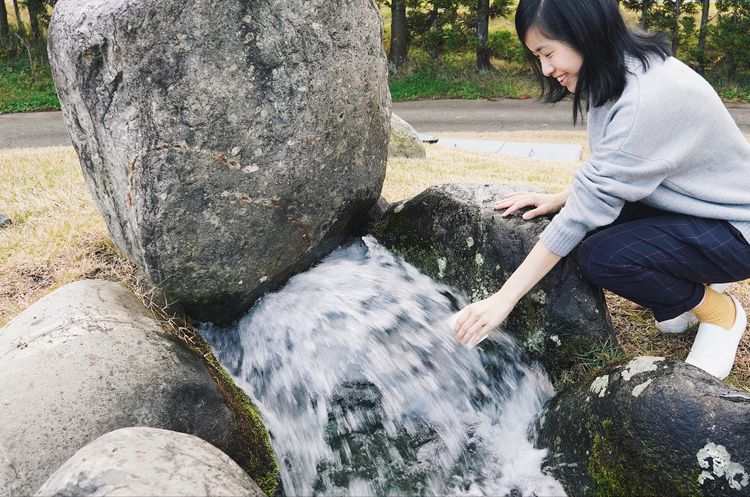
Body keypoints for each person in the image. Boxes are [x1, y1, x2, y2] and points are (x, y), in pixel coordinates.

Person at [452, 0, 750, 380]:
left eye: (547, 53)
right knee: (597, 228)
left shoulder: (645, 97)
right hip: (700, 206)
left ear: (584, 32)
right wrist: (561, 198)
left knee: (603, 257)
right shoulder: (623, 68)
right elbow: (613, 170)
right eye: (537, 57)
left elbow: (586, 210)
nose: (545, 69)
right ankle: (684, 290)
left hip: (736, 226)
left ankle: (719, 313)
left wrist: (502, 300)